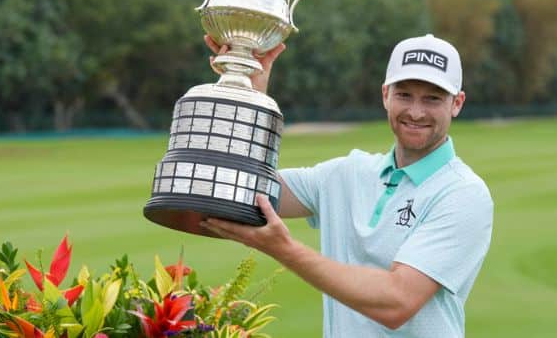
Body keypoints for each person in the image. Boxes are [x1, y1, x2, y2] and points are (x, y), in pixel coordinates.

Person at [201, 33, 494, 337]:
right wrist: (247, 92)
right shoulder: (348, 173)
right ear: (385, 95)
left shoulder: (463, 194)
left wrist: (284, 249)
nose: (416, 112)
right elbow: (244, 190)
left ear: (456, 103)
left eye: (432, 98)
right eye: (405, 94)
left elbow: (397, 302)